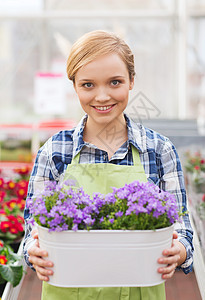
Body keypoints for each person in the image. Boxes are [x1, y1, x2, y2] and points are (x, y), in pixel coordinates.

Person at [23, 30, 194, 300]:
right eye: (88, 85)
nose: (102, 96)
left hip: (140, 291)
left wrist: (180, 250)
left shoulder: (160, 150)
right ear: (75, 86)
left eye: (114, 82)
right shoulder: (54, 152)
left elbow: (182, 229)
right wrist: (33, 251)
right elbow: (32, 231)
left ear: (131, 81)